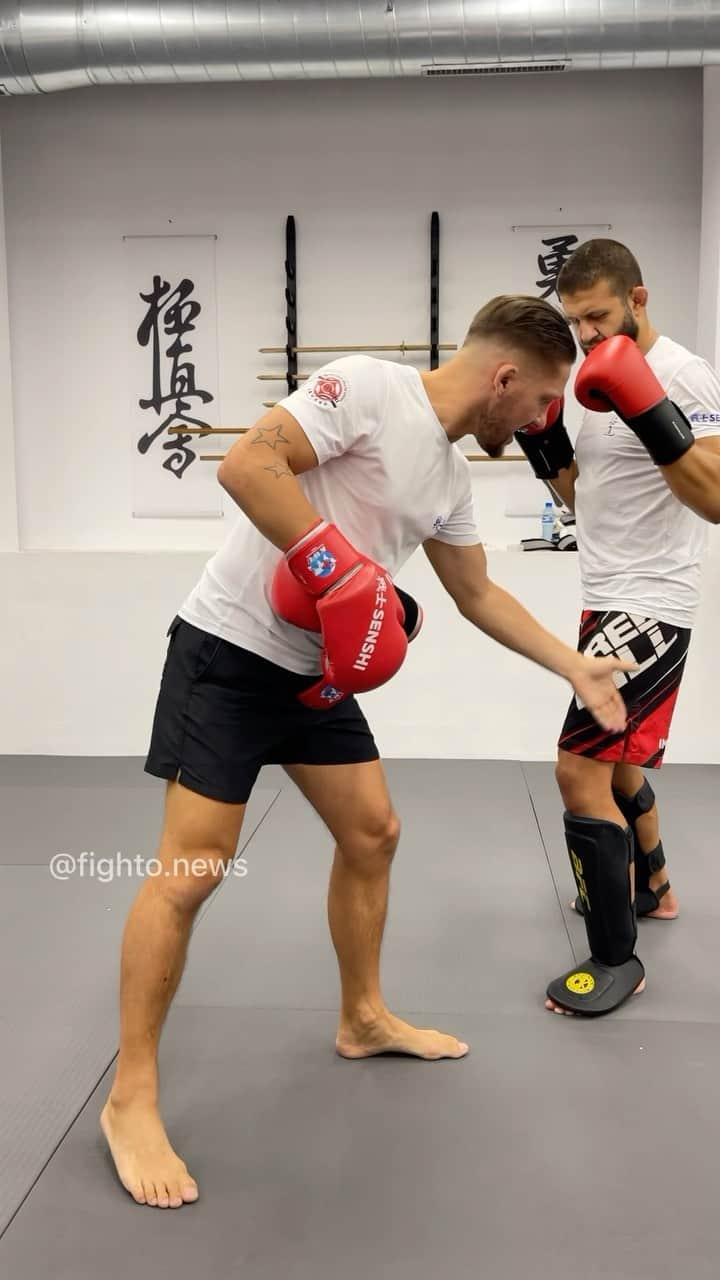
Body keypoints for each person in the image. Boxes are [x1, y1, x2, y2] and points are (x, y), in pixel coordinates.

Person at [102, 295, 634, 1209]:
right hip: (228, 654)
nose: (543, 422)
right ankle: (130, 1097)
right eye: (542, 401)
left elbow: (477, 594)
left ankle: (361, 1016)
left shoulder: (451, 480)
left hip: (317, 675)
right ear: (505, 378)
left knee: (373, 833)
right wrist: (337, 566)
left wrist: (574, 669)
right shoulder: (367, 389)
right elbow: (248, 462)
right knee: (190, 871)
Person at [515, 240, 720, 1017]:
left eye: (598, 317)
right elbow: (579, 497)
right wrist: (543, 434)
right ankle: (656, 888)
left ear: (638, 297)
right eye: (575, 323)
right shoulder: (583, 382)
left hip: (654, 598)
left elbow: (716, 497)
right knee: (615, 756)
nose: (589, 336)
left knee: (577, 767)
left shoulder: (683, 375)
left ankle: (614, 959)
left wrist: (645, 405)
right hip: (604, 592)